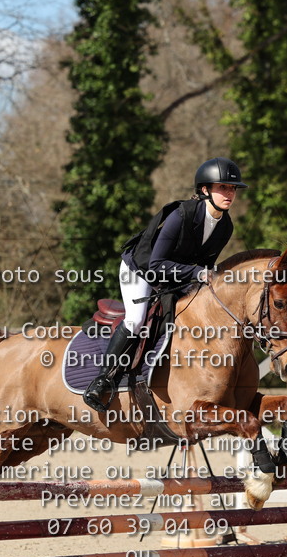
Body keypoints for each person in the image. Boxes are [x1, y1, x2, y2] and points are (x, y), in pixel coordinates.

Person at [82, 157, 247, 412]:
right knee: (136, 319)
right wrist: (197, 273)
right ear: (205, 190)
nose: (229, 193)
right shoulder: (181, 215)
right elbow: (157, 263)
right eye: (222, 187)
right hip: (141, 269)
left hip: (174, 276)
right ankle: (102, 380)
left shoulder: (225, 226)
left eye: (233, 188)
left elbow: (205, 267)